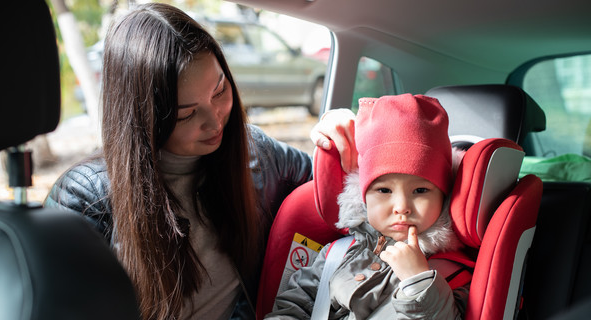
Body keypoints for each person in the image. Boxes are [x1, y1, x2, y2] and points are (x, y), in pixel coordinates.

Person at [43, 3, 355, 320]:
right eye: (187, 114)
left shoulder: (254, 153)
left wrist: (339, 134)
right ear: (144, 118)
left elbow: (342, 190)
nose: (215, 120)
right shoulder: (85, 198)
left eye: (220, 91)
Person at [266, 94, 469, 319]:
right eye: (384, 191)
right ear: (363, 196)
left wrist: (418, 282)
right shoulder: (335, 254)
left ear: (444, 196)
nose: (401, 207)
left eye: (420, 191)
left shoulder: (451, 277)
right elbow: (293, 308)